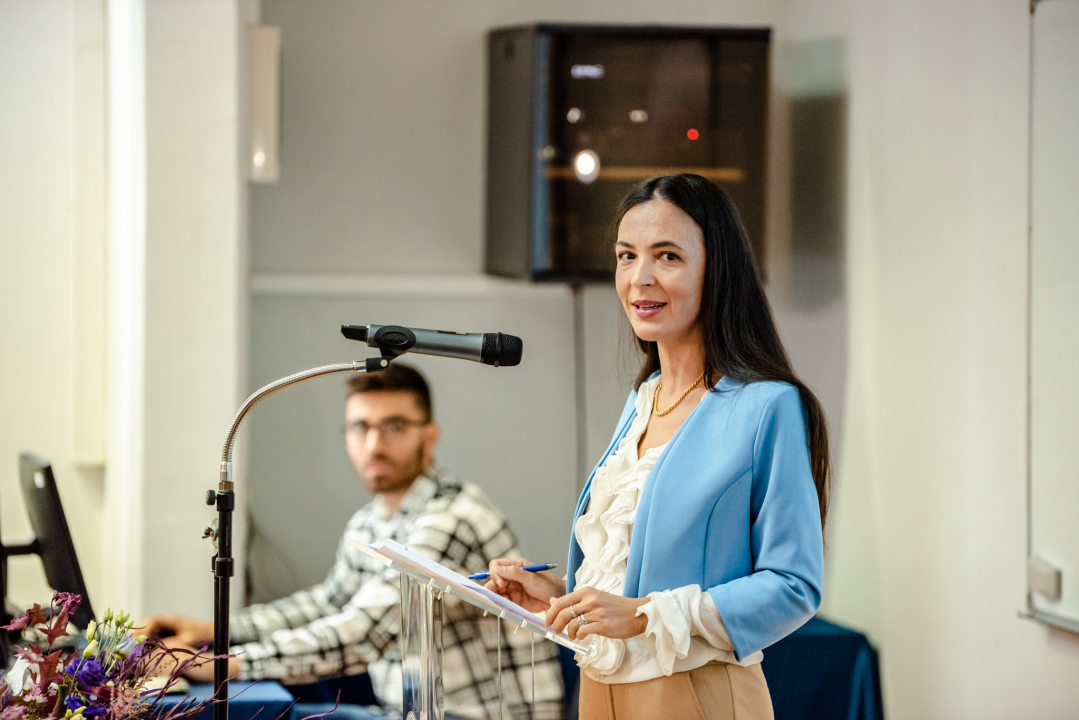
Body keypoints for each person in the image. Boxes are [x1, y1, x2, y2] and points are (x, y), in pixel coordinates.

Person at [486, 174, 829, 720]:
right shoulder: (644, 398)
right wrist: (559, 597)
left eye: (666, 256)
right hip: (599, 693)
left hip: (696, 695)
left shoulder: (767, 406)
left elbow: (794, 586)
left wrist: (644, 615)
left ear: (716, 270)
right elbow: (638, 574)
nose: (639, 279)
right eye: (627, 256)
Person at [140, 364, 564, 720]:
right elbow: (327, 604)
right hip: (408, 708)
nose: (374, 444)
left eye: (394, 427)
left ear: (429, 436)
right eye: (361, 427)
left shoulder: (453, 517)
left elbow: (364, 634)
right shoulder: (371, 520)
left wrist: (217, 665)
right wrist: (211, 631)